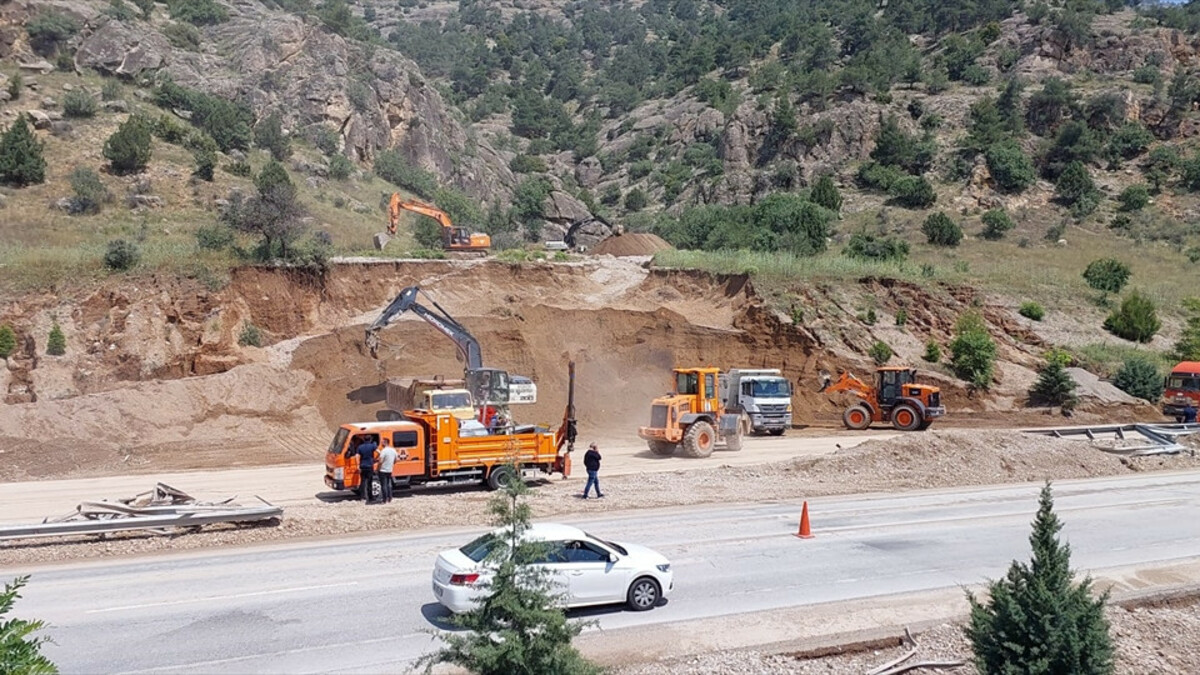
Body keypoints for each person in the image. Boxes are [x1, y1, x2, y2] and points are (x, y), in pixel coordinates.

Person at [354, 436, 379, 504]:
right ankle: (370, 497)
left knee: (363, 482)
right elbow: (379, 452)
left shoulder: (360, 447)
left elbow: (356, 456)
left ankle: (362, 497)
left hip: (362, 466)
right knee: (369, 482)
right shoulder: (372, 446)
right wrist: (375, 459)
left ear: (364, 439)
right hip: (370, 466)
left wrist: (357, 465)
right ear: (370, 439)